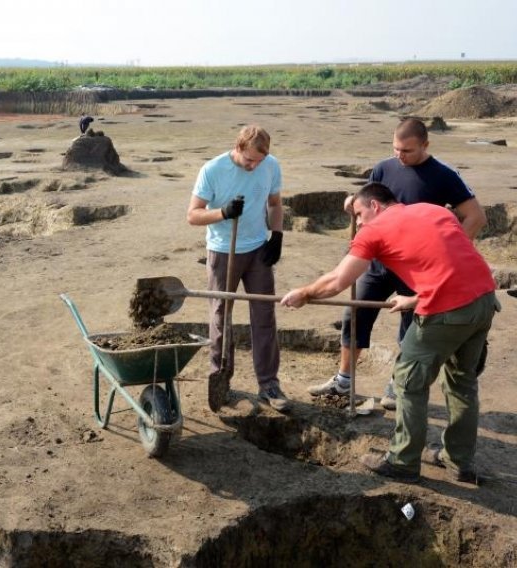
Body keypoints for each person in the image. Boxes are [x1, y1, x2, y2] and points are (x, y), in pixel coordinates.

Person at [282, 182, 497, 483]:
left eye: (358, 213)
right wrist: (414, 298)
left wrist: (304, 293)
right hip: (484, 300)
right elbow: (450, 263)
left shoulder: (375, 230)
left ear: (375, 206)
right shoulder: (433, 211)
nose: (357, 222)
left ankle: (403, 461)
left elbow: (337, 281)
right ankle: (458, 460)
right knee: (462, 383)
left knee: (407, 383)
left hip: (447, 310)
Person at [308, 118, 487, 410]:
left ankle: (396, 384)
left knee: (411, 326)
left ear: (425, 145)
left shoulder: (444, 175)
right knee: (355, 313)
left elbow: (476, 216)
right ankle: (344, 379)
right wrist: (352, 203)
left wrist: (449, 250)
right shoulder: (384, 167)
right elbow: (370, 201)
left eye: (407, 151)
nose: (399, 156)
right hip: (378, 261)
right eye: (395, 149)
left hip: (416, 268)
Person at [187, 124, 289, 412]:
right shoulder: (213, 169)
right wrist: (223, 212)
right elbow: (192, 215)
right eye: (249, 160)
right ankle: (221, 381)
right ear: (239, 148)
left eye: (260, 160)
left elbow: (274, 203)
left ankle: (269, 383)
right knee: (221, 317)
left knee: (264, 314)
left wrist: (277, 235)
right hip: (223, 252)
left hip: (258, 250)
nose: (254, 165)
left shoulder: (270, 166)